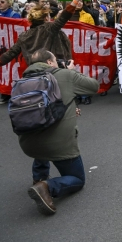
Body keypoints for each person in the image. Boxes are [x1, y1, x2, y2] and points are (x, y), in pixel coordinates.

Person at [20, 49, 99, 215]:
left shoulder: (21, 81)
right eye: (56, 60)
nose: (58, 63)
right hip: (60, 146)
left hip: (28, 145)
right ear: (49, 62)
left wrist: (69, 108)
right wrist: (71, 72)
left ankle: (39, 176)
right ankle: (46, 186)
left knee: (40, 131)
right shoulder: (64, 75)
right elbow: (94, 86)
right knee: (78, 180)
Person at [0, 0, 82, 105]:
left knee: (42, 102)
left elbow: (10, 53)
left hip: (35, 75)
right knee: (62, 102)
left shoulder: (24, 36)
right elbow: (64, 16)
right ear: (45, 18)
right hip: (55, 71)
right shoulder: (50, 28)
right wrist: (75, 1)